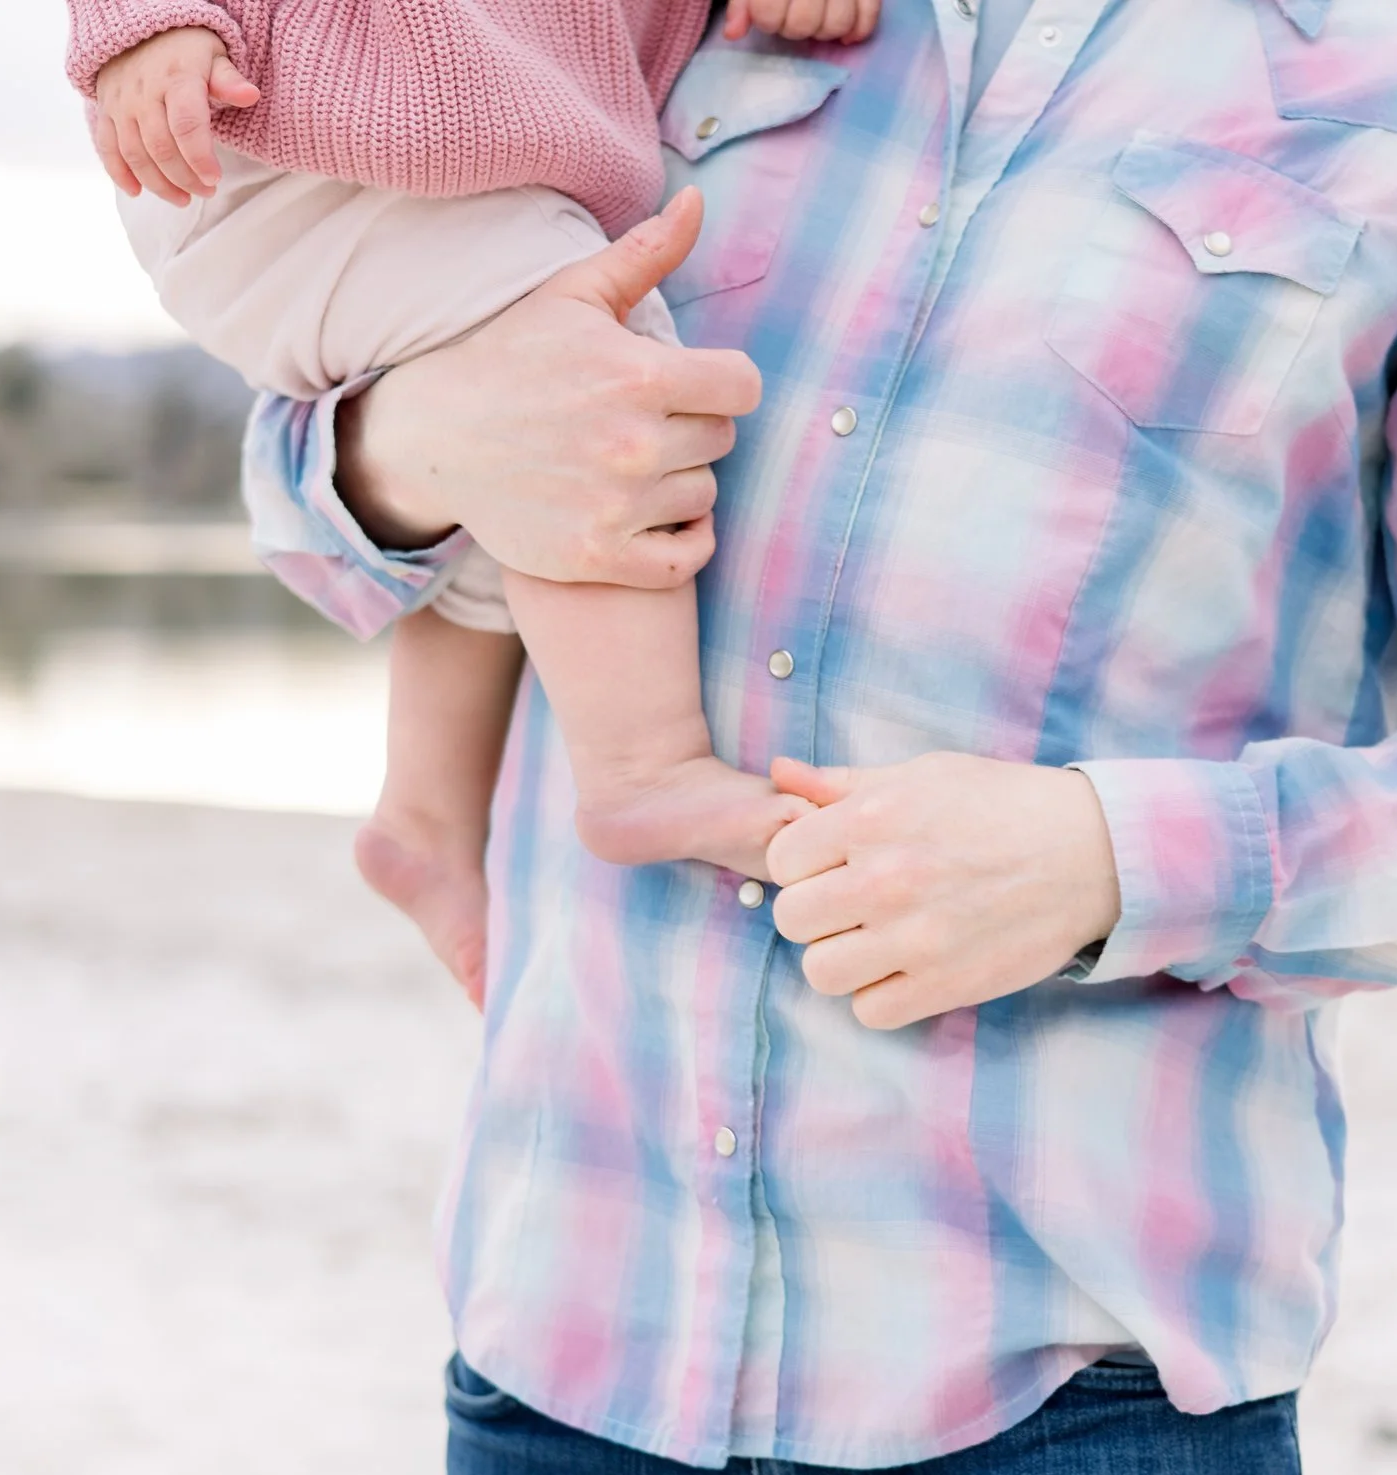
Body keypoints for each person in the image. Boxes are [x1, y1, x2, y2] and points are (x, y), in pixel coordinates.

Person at [253, 0, 1397, 1475]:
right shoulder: (685, 19)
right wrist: (407, 454)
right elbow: (333, 451)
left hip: (1079, 1449)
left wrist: (1105, 861)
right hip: (569, 1372)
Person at [67, 0, 882, 1005]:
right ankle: (642, 767)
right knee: (598, 383)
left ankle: (423, 817)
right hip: (293, 145)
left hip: (431, 157)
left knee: (524, 482)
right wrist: (146, 22)